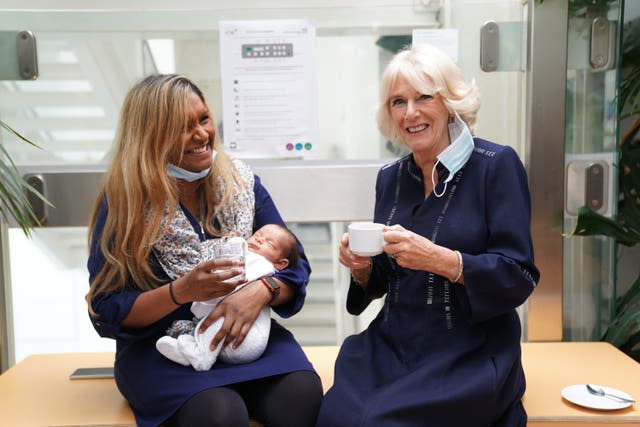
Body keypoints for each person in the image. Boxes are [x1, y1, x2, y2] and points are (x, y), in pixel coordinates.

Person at [315, 44, 540, 427]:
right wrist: (362, 270)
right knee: (337, 414)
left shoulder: (496, 165)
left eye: (423, 97)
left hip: (468, 348)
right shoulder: (391, 177)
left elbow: (518, 276)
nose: (411, 112)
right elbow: (388, 278)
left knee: (377, 421)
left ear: (451, 103)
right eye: (398, 102)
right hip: (393, 342)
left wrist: (443, 260)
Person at [86, 74, 322, 427]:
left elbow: (294, 265)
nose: (201, 134)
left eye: (203, 119)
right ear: (150, 138)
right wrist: (180, 292)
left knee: (301, 394)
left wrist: (261, 290)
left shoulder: (241, 185)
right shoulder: (126, 206)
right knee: (220, 413)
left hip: (245, 337)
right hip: (163, 350)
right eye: (183, 127)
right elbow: (106, 310)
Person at [155, 223, 300, 370]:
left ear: (281, 263)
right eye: (257, 236)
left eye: (269, 243)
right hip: (233, 340)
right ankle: (190, 348)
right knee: (217, 320)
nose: (259, 240)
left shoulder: (263, 264)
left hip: (245, 340)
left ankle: (201, 357)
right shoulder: (249, 258)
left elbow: (235, 284)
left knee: (221, 319)